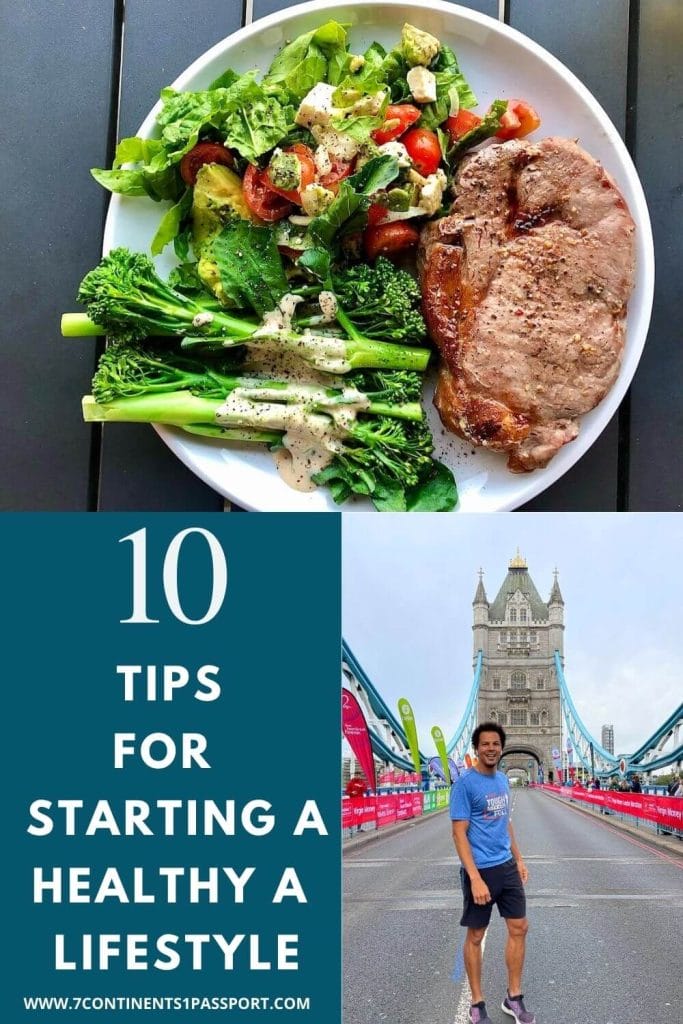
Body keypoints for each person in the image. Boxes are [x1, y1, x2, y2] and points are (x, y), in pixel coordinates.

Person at [450, 722, 535, 1024]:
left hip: (507, 867)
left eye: (496, 744)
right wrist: (474, 878)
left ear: (501, 747)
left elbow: (505, 823)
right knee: (476, 935)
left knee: (519, 927)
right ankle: (477, 1002)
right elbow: (459, 834)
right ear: (476, 748)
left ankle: (513, 997)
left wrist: (520, 859)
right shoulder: (464, 785)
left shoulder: (502, 780)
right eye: (485, 744)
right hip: (481, 870)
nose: (491, 748)